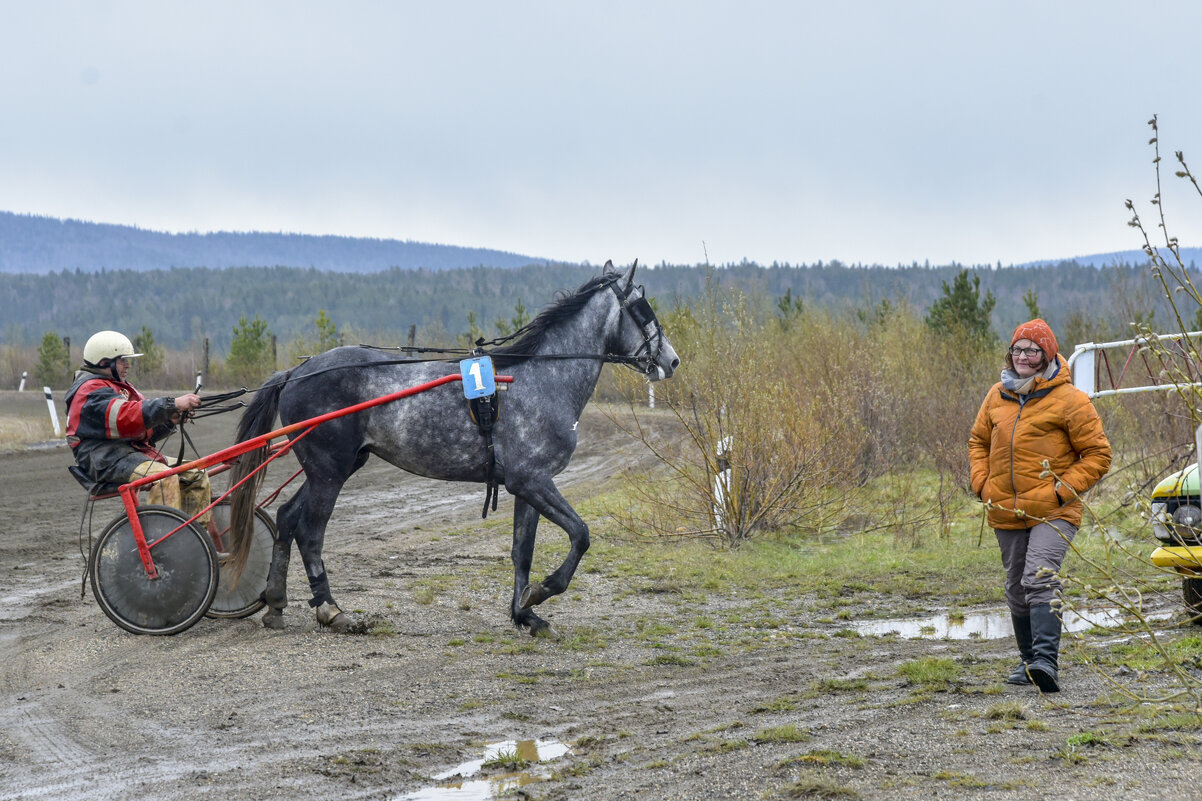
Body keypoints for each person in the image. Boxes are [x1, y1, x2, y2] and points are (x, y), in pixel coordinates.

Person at [968, 319, 1111, 693]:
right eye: (1018, 349)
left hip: (1054, 510)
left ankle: (1046, 661)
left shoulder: (1070, 399)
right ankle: (1028, 660)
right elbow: (977, 442)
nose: (1024, 357)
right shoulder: (996, 395)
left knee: (1039, 578)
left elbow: (1098, 454)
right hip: (1005, 509)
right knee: (1016, 586)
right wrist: (983, 485)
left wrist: (1062, 493)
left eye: (1032, 350)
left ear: (1047, 354)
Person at [65, 330, 212, 530]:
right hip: (106, 460)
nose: (127, 365)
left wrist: (170, 419)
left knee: (196, 473)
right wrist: (172, 404)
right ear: (103, 362)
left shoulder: (118, 387)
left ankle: (196, 544)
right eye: (122, 360)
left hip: (130, 454)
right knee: (163, 477)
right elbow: (127, 417)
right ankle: (165, 546)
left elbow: (141, 427)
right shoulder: (90, 391)